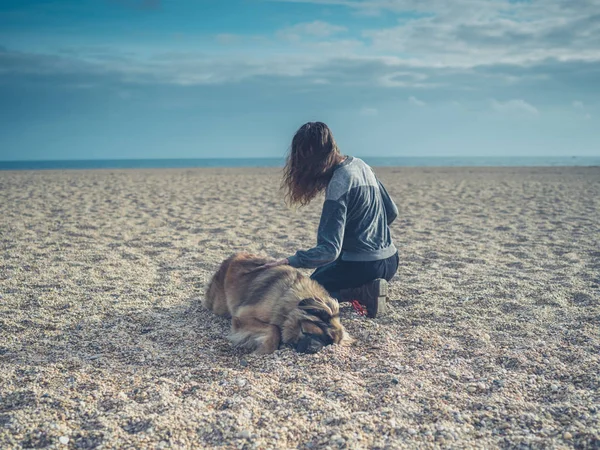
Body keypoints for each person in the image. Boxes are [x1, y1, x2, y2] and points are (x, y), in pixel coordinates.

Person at [260, 121, 399, 318]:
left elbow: (329, 250)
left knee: (307, 294)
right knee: (325, 271)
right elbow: (392, 212)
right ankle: (368, 286)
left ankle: (360, 292)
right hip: (391, 261)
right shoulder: (362, 165)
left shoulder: (339, 183)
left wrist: (289, 261)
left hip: (362, 267)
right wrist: (367, 235)